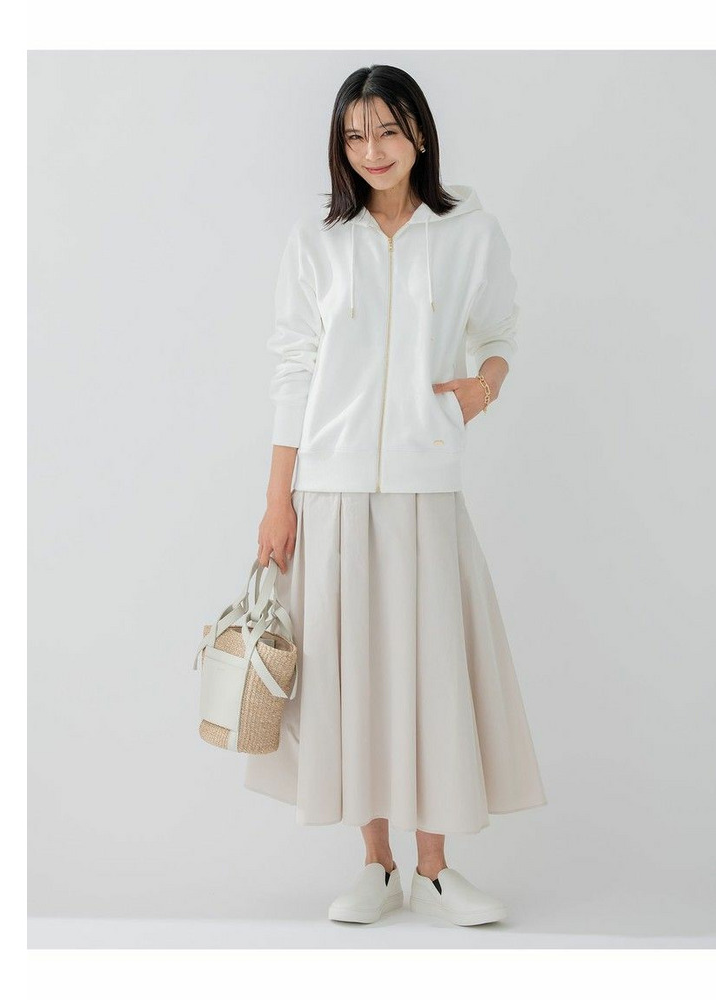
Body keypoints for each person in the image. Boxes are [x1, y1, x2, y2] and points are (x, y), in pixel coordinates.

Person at [243, 64, 547, 926]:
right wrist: (278, 500)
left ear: (419, 132)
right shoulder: (318, 241)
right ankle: (376, 865)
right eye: (354, 136)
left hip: (425, 486)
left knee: (430, 677)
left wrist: (485, 385)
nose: (371, 151)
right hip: (331, 490)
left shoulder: (469, 233)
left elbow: (501, 330)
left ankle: (436, 870)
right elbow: (293, 368)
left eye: (386, 130)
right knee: (353, 681)